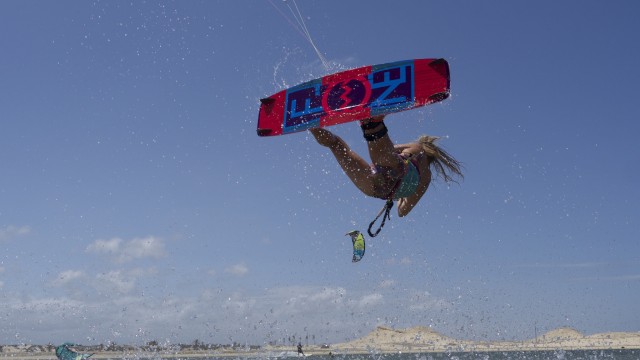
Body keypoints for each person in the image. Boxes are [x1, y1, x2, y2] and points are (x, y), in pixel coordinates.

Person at [309, 115, 463, 231]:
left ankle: (311, 124)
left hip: (393, 169)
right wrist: (399, 195)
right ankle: (313, 125)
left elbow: (392, 149)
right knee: (338, 144)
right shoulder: (426, 178)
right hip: (374, 189)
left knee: (342, 141)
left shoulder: (418, 147)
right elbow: (402, 211)